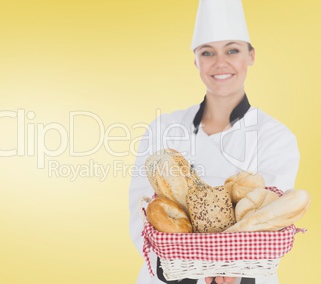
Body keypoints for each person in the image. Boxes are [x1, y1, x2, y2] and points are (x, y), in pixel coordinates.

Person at [128, 0, 300, 284]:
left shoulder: (275, 136)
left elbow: (270, 219)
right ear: (195, 60)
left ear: (251, 56)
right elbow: (141, 212)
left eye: (232, 50)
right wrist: (178, 269)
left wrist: (232, 270)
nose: (220, 63)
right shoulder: (163, 128)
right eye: (207, 52)